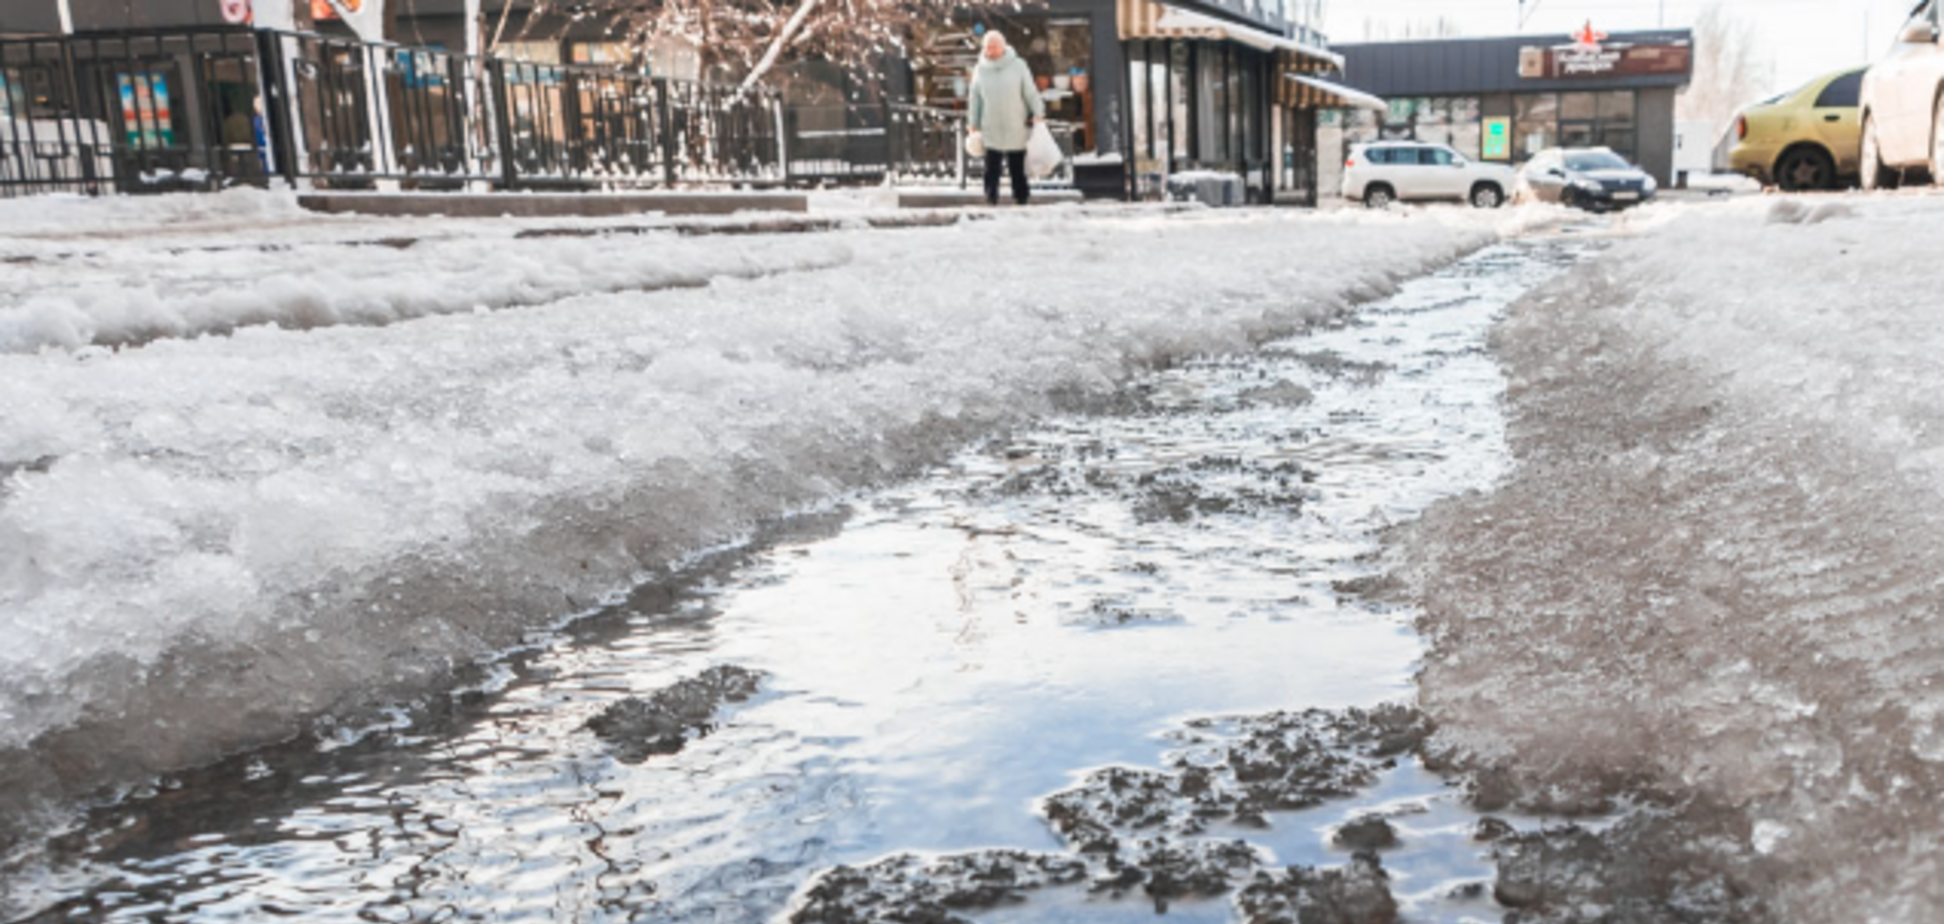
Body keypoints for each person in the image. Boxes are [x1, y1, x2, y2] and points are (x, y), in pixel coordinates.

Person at [967, 31, 1045, 206]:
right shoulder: (980, 69)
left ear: (1003, 47)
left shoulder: (1018, 65)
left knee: (1016, 164)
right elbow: (975, 98)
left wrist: (1038, 112)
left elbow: (1030, 92)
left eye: (993, 47)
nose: (990, 51)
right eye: (987, 47)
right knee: (991, 166)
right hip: (990, 124)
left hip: (1015, 123)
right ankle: (990, 196)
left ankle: (1021, 195)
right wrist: (973, 122)